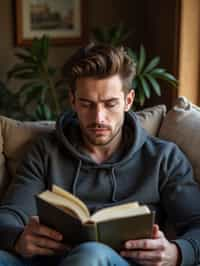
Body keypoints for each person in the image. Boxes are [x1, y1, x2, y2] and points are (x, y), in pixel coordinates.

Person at [0, 43, 200, 266]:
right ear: (73, 101)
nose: (99, 118)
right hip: (51, 261)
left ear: (128, 101)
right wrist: (18, 238)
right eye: (87, 104)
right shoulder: (45, 151)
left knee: (90, 254)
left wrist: (177, 252)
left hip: (115, 262)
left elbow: (197, 223)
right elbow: (10, 215)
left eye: (110, 104)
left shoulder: (164, 158)